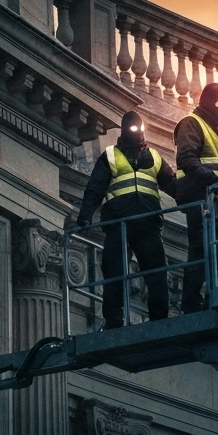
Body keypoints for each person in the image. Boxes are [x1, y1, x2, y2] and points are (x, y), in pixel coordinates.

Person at [76, 110, 177, 328]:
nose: (136, 133)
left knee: (156, 271)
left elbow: (173, 185)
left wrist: (196, 199)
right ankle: (114, 319)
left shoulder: (155, 157)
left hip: (148, 225)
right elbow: (95, 188)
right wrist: (85, 216)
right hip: (118, 225)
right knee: (114, 272)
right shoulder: (110, 155)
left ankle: (160, 318)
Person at [173, 82, 218, 312]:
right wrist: (213, 181)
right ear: (208, 101)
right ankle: (191, 302)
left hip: (217, 200)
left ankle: (212, 298)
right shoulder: (192, 124)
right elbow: (187, 160)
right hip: (200, 198)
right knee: (201, 250)